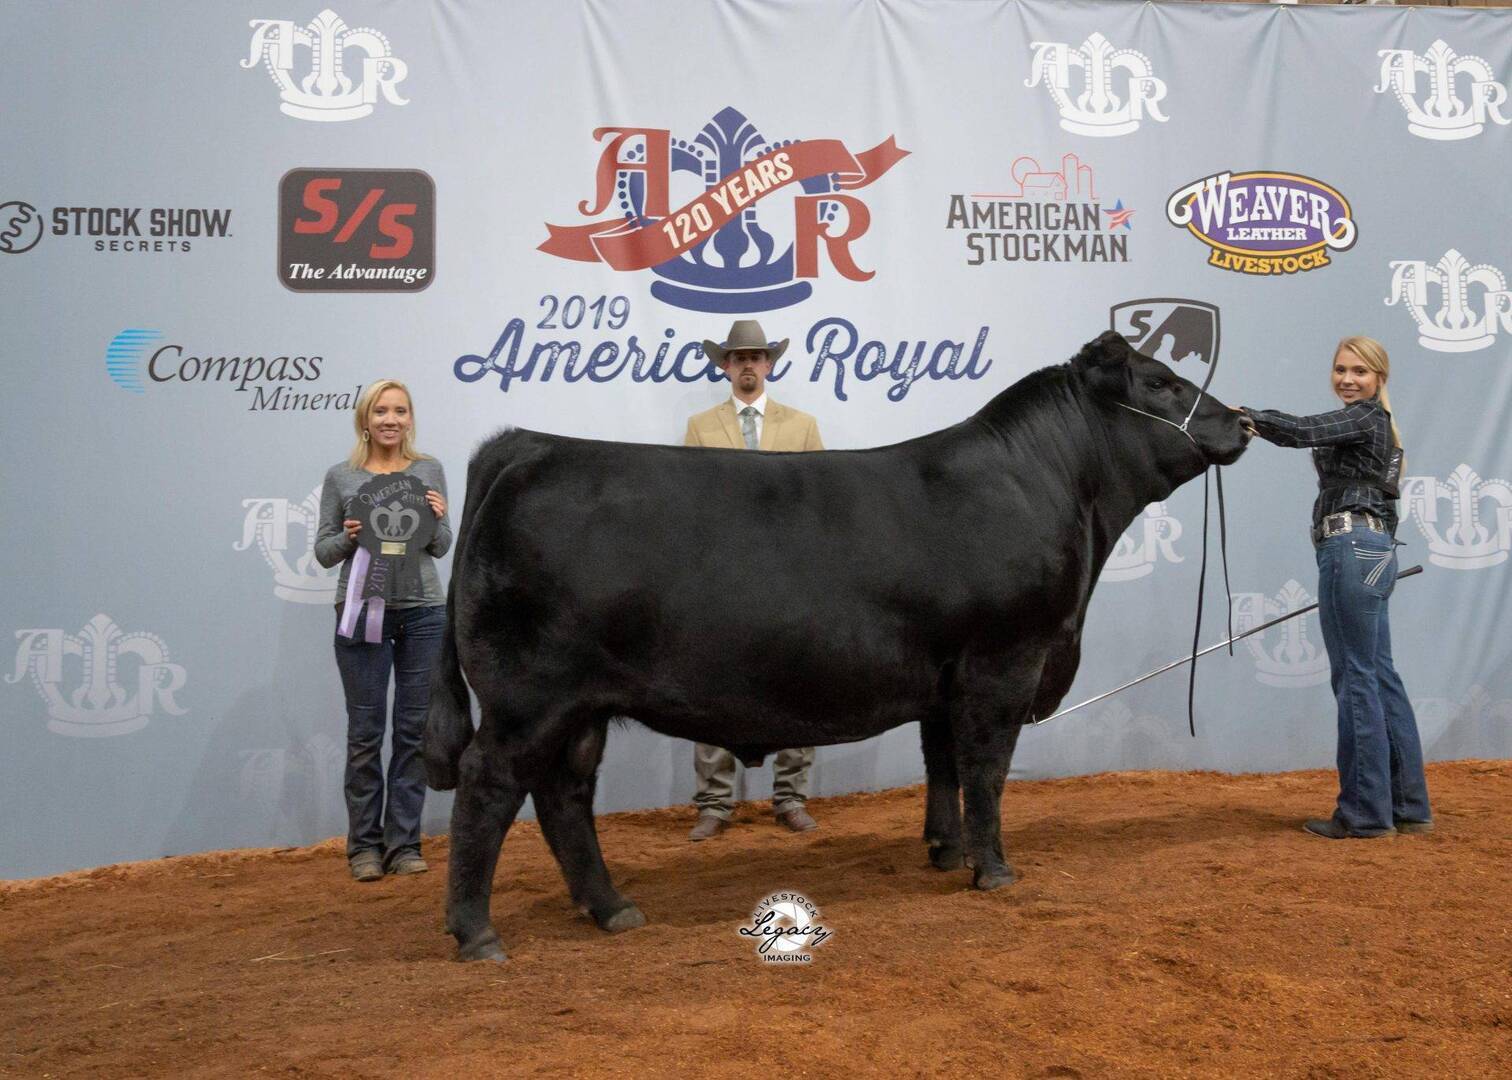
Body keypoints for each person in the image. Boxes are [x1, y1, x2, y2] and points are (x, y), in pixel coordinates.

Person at [1241, 337, 1432, 839]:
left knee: (1356, 678)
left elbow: (1303, 430)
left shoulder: (1365, 418)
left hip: (1350, 549)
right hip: (1372, 549)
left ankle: (1366, 813)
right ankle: (1408, 806)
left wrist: (1244, 417)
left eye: (1360, 371)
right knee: (1378, 674)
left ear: (1379, 379)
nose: (1348, 379)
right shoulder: (1375, 423)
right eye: (1341, 369)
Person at [682, 319, 825, 841]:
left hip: (790, 572)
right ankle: (714, 803)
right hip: (723, 572)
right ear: (724, 365)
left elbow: (818, 499)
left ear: (769, 364)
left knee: (799, 681)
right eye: (738, 357)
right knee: (713, 682)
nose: (747, 365)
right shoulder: (700, 427)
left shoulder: (802, 426)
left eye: (756, 356)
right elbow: (693, 502)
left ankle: (790, 796)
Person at [314, 380, 452, 880]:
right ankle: (364, 849)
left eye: (399, 410)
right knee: (366, 733)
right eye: (380, 411)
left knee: (413, 732)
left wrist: (436, 519)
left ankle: (404, 845)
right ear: (365, 420)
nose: (390, 419)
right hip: (361, 612)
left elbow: (440, 546)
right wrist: (350, 538)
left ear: (410, 419)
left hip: (423, 613)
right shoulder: (342, 477)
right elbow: (323, 551)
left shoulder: (428, 470)